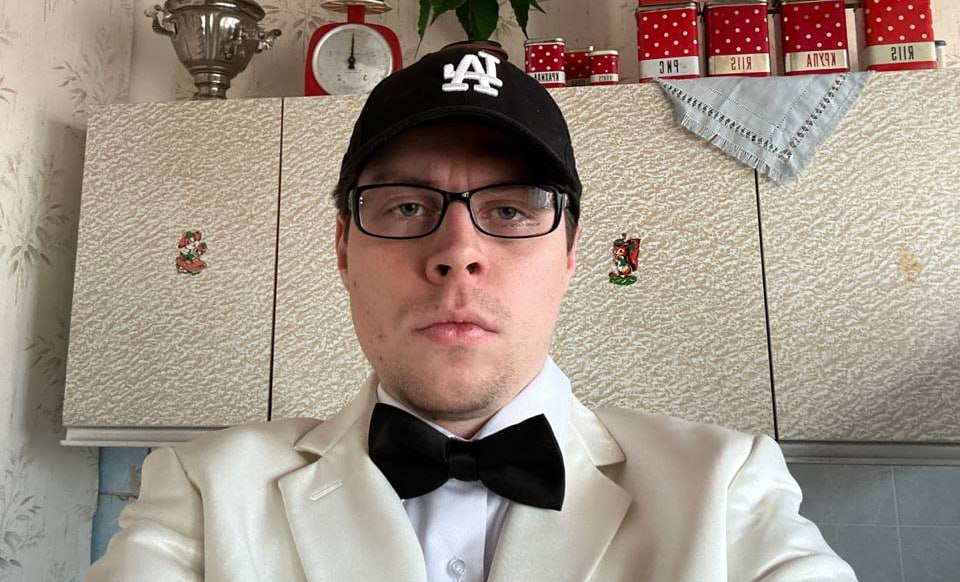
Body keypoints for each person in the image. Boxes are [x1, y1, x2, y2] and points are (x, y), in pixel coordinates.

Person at [87, 43, 857, 582]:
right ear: (344, 250)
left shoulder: (723, 491)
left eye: (512, 210)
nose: (458, 252)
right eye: (405, 205)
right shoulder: (204, 493)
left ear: (569, 253)